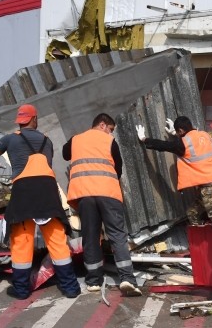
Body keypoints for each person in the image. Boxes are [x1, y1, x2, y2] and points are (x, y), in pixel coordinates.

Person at [0, 104, 81, 300]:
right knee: (57, 241)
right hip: (47, 191)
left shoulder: (11, 139)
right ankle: (70, 288)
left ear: (20, 121)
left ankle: (21, 289)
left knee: (21, 242)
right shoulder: (47, 141)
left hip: (23, 192)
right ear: (35, 120)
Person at [63, 113, 142, 296]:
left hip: (84, 194)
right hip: (107, 193)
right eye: (111, 129)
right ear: (102, 124)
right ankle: (127, 279)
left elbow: (65, 153)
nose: (111, 133)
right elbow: (119, 167)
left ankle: (93, 281)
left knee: (90, 237)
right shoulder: (109, 141)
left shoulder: (76, 140)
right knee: (117, 236)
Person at [135, 116, 212, 225]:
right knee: (192, 214)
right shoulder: (205, 135)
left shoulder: (183, 143)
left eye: (178, 132)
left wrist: (144, 139)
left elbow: (163, 145)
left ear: (180, 130)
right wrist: (175, 134)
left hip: (209, 186)